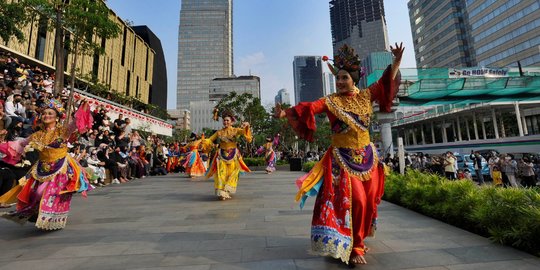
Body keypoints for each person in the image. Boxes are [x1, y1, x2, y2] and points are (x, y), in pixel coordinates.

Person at [274, 43, 403, 265]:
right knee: (357, 201)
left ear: (354, 79)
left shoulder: (366, 96)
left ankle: (358, 241)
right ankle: (354, 247)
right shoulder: (331, 101)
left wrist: (397, 61)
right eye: (339, 78)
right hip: (342, 161)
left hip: (368, 159)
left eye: (345, 78)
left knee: (369, 201)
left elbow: (386, 83)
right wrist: (287, 112)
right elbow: (311, 107)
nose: (341, 82)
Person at [0, 99, 93, 230]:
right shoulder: (37, 135)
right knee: (35, 193)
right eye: (44, 113)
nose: (46, 116)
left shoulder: (63, 131)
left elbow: (75, 124)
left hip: (60, 167)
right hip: (42, 168)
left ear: (57, 117)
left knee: (41, 192)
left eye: (50, 113)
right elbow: (21, 143)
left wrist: (81, 109)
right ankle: (39, 213)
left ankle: (50, 214)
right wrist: (3, 145)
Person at [204, 110, 252, 200]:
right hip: (221, 155)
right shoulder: (219, 132)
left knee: (232, 174)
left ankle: (227, 190)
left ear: (231, 121)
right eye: (224, 120)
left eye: (227, 120)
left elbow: (244, 132)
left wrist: (247, 125)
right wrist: (204, 141)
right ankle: (221, 191)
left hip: (233, 155)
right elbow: (210, 139)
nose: (225, 122)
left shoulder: (235, 130)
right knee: (221, 173)